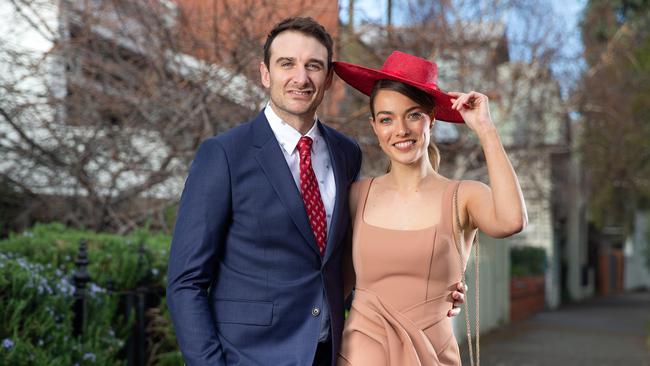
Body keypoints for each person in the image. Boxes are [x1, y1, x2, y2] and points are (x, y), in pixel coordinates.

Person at [166, 17, 466, 365]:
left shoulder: (346, 153)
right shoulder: (224, 154)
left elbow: (356, 259)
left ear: (328, 79)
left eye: (313, 66)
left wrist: (431, 285)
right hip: (248, 355)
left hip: (332, 353)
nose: (301, 77)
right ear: (265, 74)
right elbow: (185, 282)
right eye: (286, 64)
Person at [334, 51, 528, 365]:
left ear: (432, 119)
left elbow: (512, 220)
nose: (400, 130)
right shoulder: (356, 196)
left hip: (431, 356)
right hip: (358, 356)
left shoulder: (462, 196)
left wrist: (486, 130)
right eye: (386, 119)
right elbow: (334, 285)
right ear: (374, 126)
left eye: (413, 115)